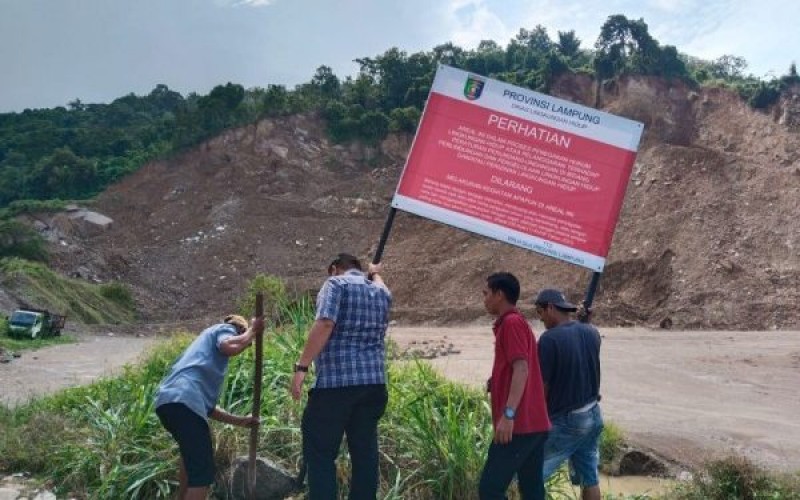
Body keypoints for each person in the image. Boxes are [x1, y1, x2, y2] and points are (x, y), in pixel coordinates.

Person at [291, 253, 392, 500]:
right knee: (365, 455)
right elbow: (381, 285)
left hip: (336, 385)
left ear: (334, 268)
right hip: (374, 385)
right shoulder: (381, 292)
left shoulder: (335, 283)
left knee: (320, 453)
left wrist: (302, 367)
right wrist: (374, 272)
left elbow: (325, 323)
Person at [155, 314, 264, 500]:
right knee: (202, 476)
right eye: (246, 344)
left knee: (191, 460)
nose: (245, 347)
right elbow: (227, 345)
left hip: (169, 402)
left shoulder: (204, 354)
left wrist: (240, 421)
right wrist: (252, 331)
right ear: (239, 330)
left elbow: (209, 409)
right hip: (185, 400)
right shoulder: (226, 329)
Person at [479, 272, 551, 500]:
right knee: (532, 490)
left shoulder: (511, 323)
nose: (484, 299)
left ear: (499, 294)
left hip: (519, 426)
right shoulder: (515, 323)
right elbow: (518, 367)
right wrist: (497, 380)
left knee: (490, 489)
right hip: (534, 424)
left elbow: (521, 369)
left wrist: (508, 415)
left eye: (486, 293)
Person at [535, 288, 603, 500]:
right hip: (593, 413)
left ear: (550, 308)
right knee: (589, 478)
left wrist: (537, 424)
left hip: (567, 421)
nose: (541, 319)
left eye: (540, 313)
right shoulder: (592, 332)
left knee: (530, 476)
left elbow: (542, 388)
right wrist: (585, 323)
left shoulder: (549, 340)